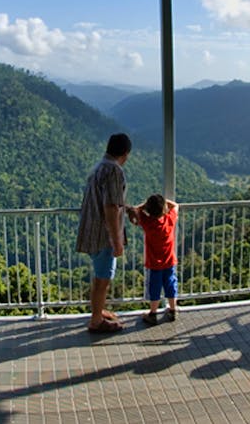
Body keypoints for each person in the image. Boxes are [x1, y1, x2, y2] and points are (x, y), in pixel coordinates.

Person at [76, 133, 131, 333]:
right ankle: (96, 321)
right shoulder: (114, 171)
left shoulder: (99, 167)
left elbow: (109, 202)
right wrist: (117, 241)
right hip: (103, 236)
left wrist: (128, 208)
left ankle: (98, 312)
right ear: (125, 153)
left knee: (99, 277)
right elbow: (110, 207)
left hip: (91, 231)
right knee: (103, 279)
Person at [127, 194, 179, 325]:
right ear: (164, 210)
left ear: (149, 210)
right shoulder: (169, 220)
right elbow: (176, 205)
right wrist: (163, 203)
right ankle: (173, 310)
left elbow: (136, 210)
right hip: (169, 262)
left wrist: (145, 205)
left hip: (154, 264)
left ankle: (153, 313)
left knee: (154, 287)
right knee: (170, 283)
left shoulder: (147, 222)